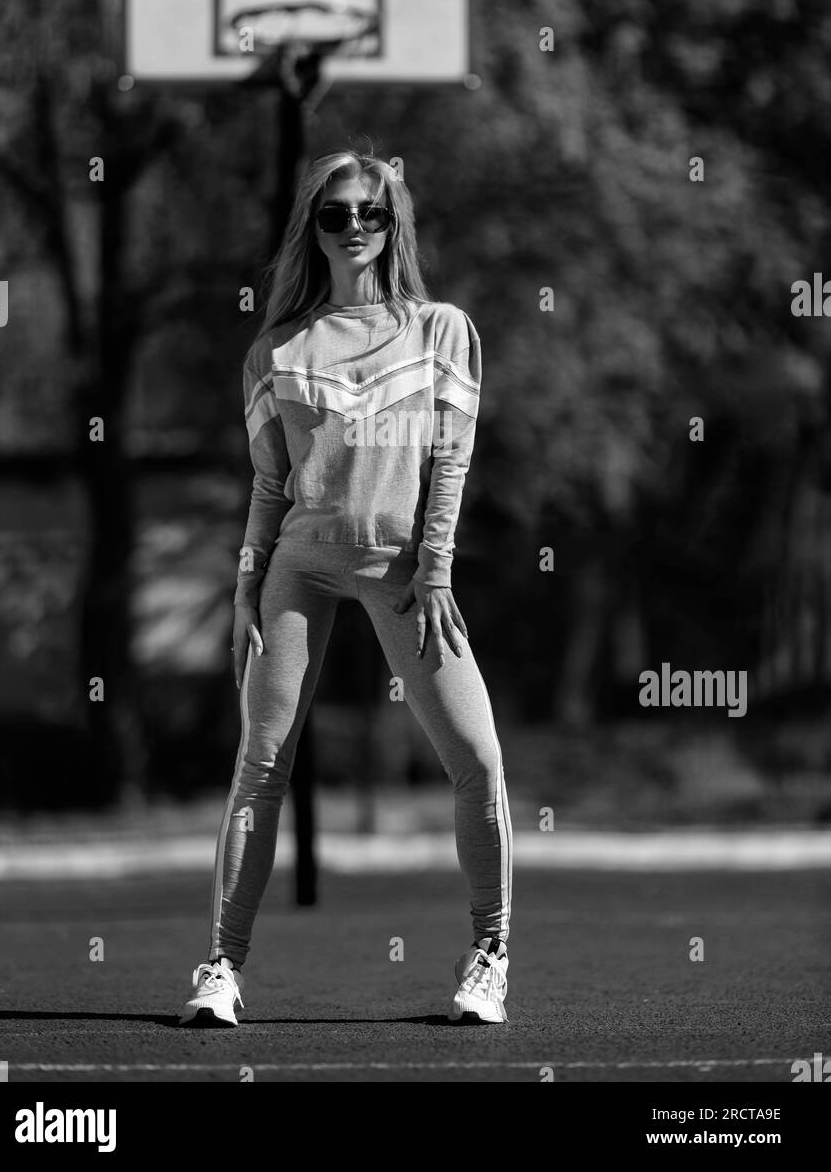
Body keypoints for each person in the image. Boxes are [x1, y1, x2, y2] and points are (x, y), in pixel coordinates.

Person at [178, 149, 513, 1027]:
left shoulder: (442, 329)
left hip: (406, 569)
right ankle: (220, 968)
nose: (355, 224)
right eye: (336, 214)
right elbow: (269, 484)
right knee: (259, 767)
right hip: (301, 563)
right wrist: (247, 581)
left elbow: (451, 461)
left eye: (371, 211)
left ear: (392, 222)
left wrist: (436, 569)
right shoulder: (276, 351)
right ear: (313, 229)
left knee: (477, 761)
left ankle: (491, 953)